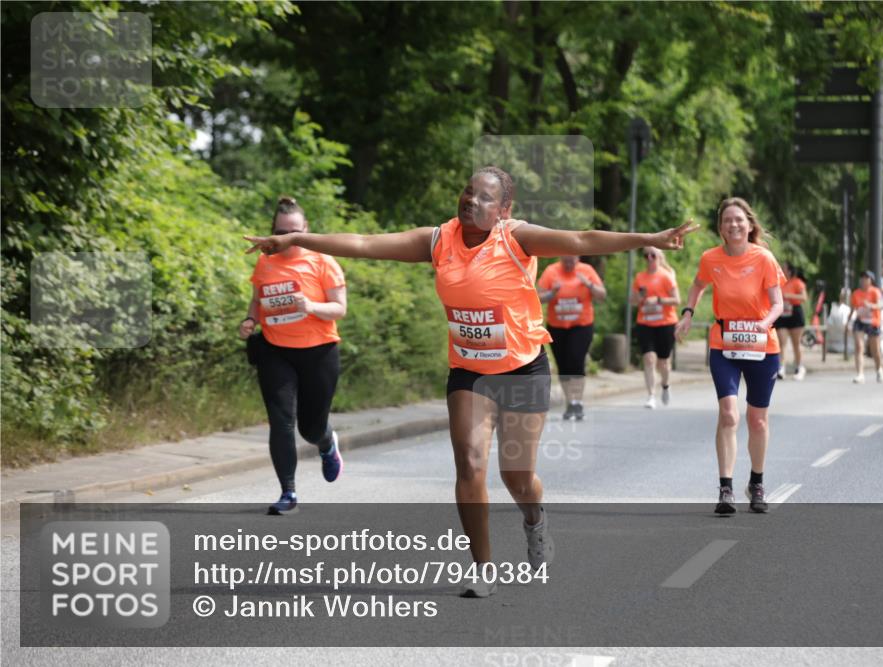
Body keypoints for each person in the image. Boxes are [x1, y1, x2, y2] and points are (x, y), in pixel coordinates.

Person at [245, 167, 698, 596]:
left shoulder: (517, 237)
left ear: (503, 208)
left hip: (523, 367)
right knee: (471, 463)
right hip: (469, 370)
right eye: (468, 192)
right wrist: (297, 238)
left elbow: (581, 238)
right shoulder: (438, 240)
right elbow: (364, 242)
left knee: (517, 478)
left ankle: (535, 520)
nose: (471, 201)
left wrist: (649, 239)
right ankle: (483, 567)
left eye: (485, 197)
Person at [676, 197, 784, 515]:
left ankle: (757, 482)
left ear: (749, 225)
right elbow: (697, 286)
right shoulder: (711, 258)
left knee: (758, 420)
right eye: (727, 221)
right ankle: (726, 488)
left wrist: (763, 324)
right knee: (728, 414)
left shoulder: (764, 258)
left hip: (762, 346)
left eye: (739, 220)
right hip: (725, 343)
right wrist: (687, 313)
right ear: (721, 228)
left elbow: (778, 303)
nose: (733, 225)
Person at [240, 196, 348, 516]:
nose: (286, 238)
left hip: (319, 353)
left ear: (306, 230)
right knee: (281, 422)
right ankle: (288, 492)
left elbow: (339, 308)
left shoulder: (323, 261)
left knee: (310, 429)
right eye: (280, 231)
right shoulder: (265, 261)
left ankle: (327, 444)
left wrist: (310, 306)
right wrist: (250, 321)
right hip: (276, 352)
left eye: (293, 232)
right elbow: (257, 300)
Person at [537, 255, 606, 420]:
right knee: (563, 365)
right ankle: (570, 402)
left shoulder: (587, 271)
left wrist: (589, 285)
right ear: (561, 258)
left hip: (581, 325)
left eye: (572, 261)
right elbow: (537, 297)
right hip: (557, 327)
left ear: (578, 258)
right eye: (566, 261)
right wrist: (552, 293)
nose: (569, 264)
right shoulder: (551, 271)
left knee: (576, 360)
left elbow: (602, 295)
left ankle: (578, 402)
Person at [630, 246, 680, 408]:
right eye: (646, 255)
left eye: (653, 255)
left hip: (666, 323)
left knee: (663, 363)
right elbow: (632, 301)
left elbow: (677, 300)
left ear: (659, 257)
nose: (649, 258)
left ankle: (665, 385)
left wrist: (658, 300)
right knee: (649, 358)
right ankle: (651, 395)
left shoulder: (666, 276)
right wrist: (640, 297)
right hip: (645, 323)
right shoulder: (639, 278)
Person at [849, 271, 883, 384]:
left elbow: (881, 305)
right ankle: (860, 374)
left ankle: (879, 369)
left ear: (871, 280)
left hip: (873, 321)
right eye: (862, 278)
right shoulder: (856, 293)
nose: (864, 280)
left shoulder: (875, 291)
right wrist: (848, 321)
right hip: (860, 321)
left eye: (866, 278)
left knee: (875, 350)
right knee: (859, 346)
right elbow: (853, 308)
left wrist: (871, 306)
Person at [774, 262, 808, 380]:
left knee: (796, 343)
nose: (782, 270)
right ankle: (781, 368)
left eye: (784, 268)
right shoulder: (779, 282)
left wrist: (789, 296)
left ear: (789, 271)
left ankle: (799, 367)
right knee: (781, 342)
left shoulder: (797, 282)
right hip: (782, 313)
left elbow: (804, 297)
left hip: (795, 313)